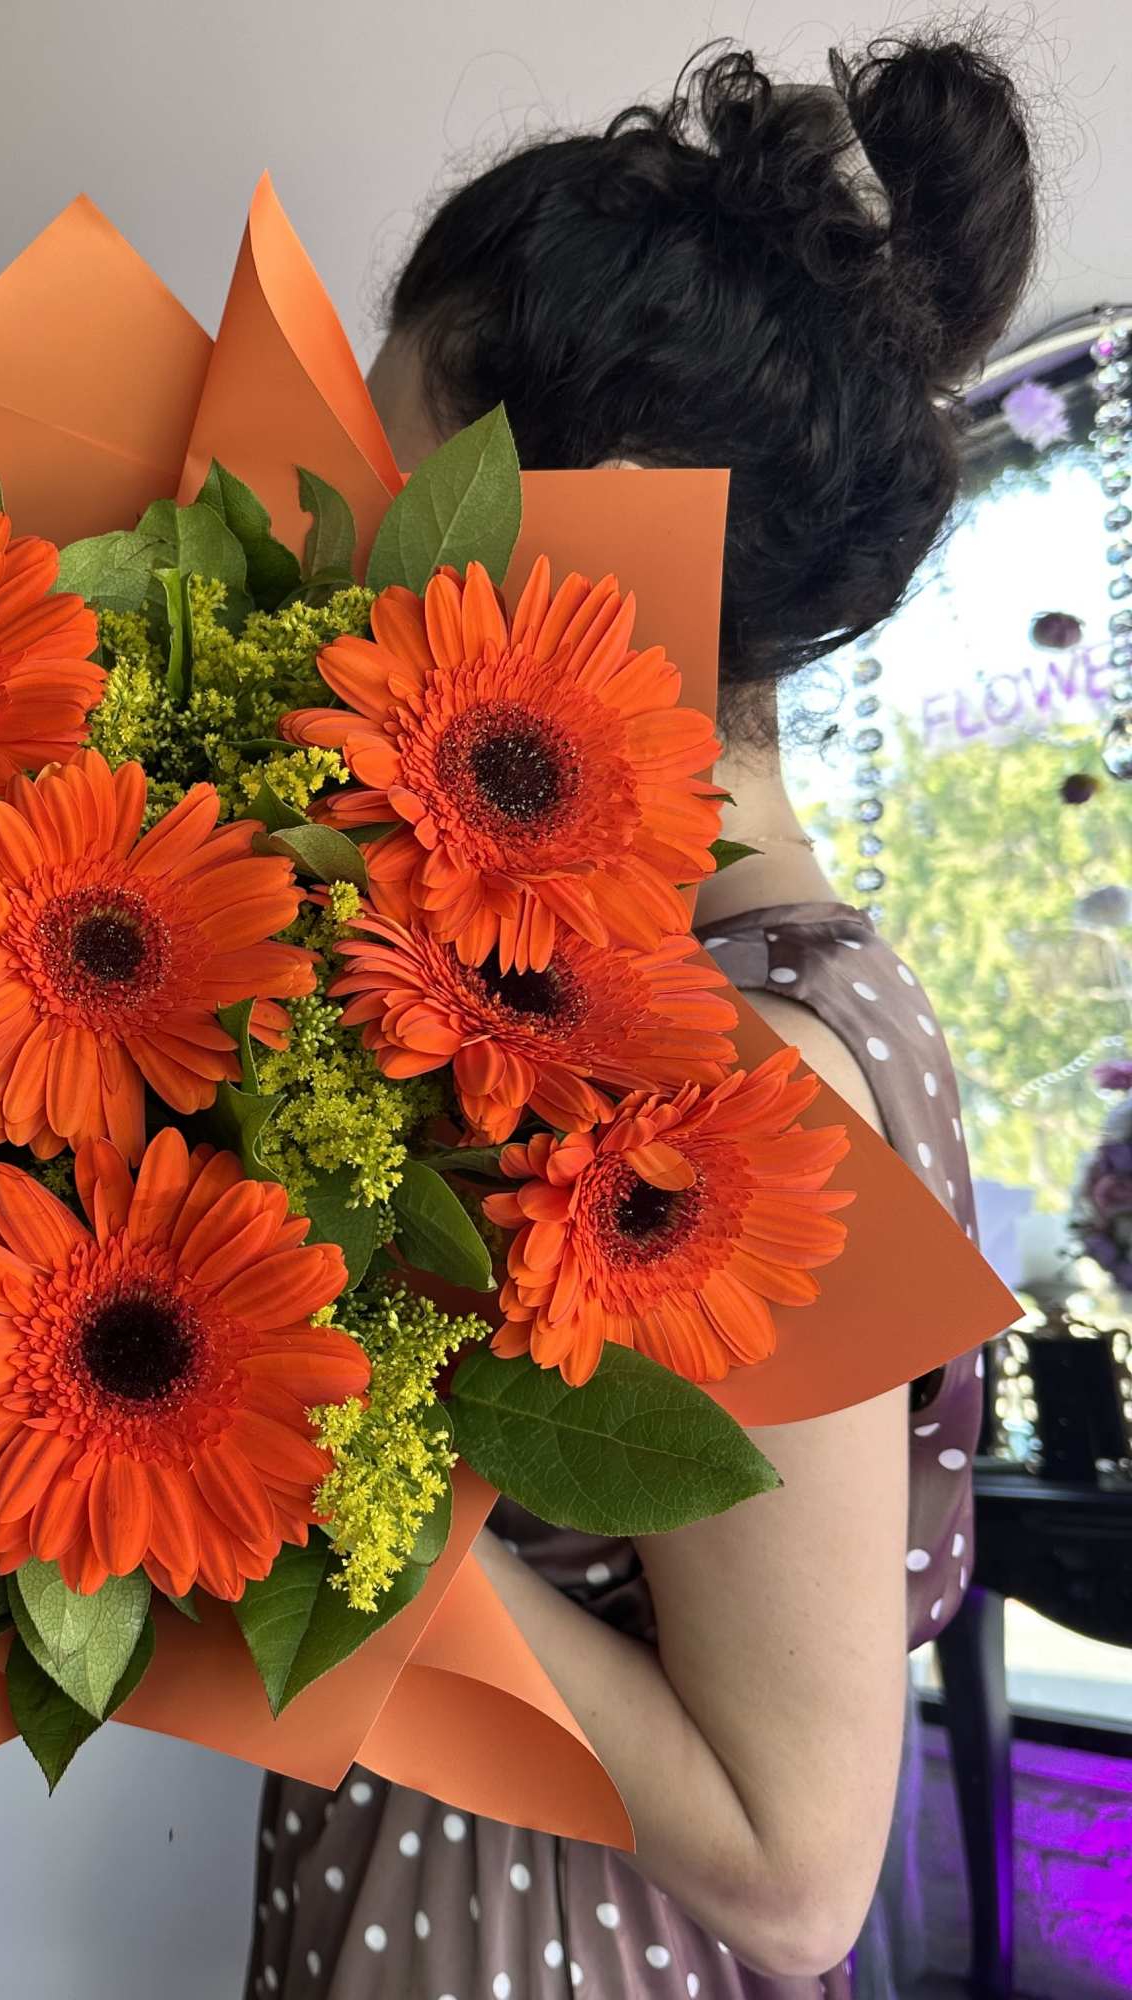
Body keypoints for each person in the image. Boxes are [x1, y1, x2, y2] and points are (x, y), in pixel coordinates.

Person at [250, 34, 1036, 2000]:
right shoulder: (639, 985)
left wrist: (284, 1472)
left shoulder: (749, 1077)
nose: (356, 555)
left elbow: (794, 1863)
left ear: (575, 530)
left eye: (399, 475)